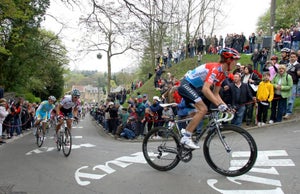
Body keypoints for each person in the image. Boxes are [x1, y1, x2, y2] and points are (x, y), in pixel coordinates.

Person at [177, 47, 240, 149]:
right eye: (235, 60)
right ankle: (186, 137)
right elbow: (206, 89)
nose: (236, 63)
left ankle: (187, 129)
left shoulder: (223, 74)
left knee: (203, 111)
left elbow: (215, 93)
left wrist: (226, 107)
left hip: (193, 88)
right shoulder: (216, 69)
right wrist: (219, 105)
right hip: (186, 85)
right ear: (228, 60)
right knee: (203, 109)